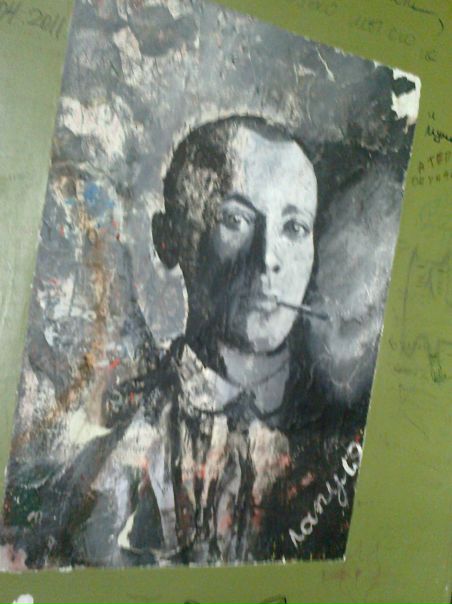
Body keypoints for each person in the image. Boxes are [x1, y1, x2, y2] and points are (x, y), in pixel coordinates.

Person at [2, 116, 362, 568]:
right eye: (235, 219)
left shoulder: (342, 431)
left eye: (294, 228)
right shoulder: (116, 443)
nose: (268, 257)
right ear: (168, 239)